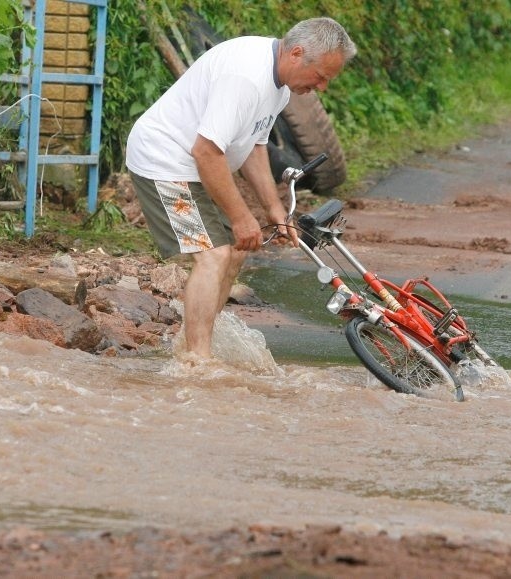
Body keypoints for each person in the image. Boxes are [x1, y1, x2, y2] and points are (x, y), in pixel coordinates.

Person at [126, 17, 356, 360]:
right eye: (321, 76)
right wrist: (241, 216)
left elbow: (254, 146)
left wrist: (273, 208)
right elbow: (206, 151)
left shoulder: (279, 86)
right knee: (213, 256)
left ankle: (197, 339)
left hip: (196, 164)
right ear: (296, 54)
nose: (322, 87)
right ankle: (197, 361)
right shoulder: (246, 78)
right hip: (164, 163)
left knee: (234, 250)